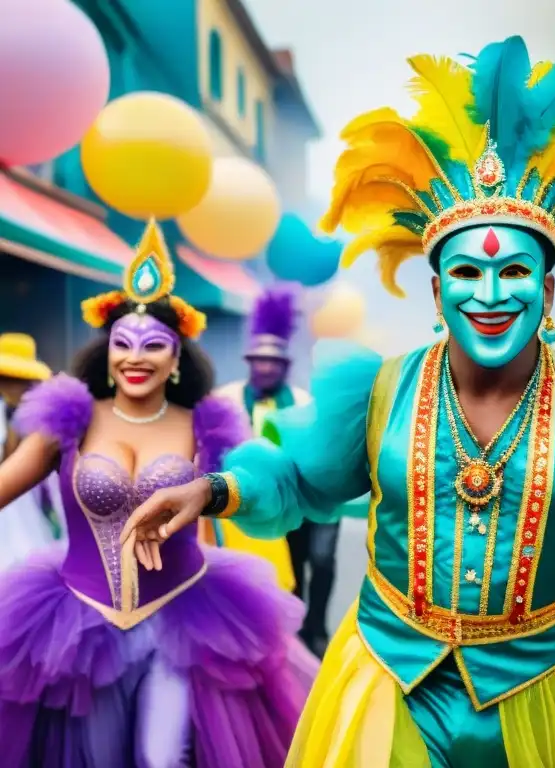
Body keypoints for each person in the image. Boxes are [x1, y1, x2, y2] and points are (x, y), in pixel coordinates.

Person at [122, 36, 555, 767]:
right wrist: (215, 489)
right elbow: (297, 475)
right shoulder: (381, 388)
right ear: (437, 288)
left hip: (531, 690)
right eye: (465, 274)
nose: (489, 294)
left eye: (514, 270)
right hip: (386, 679)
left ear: (547, 291)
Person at [0, 220, 317, 767]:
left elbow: (259, 490)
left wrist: (217, 489)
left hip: (184, 616)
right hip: (76, 624)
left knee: (160, 756)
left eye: (153, 345)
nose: (135, 357)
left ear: (176, 359)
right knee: (95, 758)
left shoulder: (208, 424)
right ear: (105, 351)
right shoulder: (67, 420)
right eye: (121, 343)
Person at [213, 283, 302, 593]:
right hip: (237, 499)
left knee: (295, 566)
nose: (265, 368)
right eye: (259, 361)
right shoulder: (225, 397)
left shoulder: (302, 401)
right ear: (249, 363)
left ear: (284, 367)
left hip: (293, 497)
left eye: (273, 363)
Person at [0, 333, 62, 569]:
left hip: (29, 513)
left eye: (19, 379)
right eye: (6, 379)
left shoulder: (44, 420)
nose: (12, 386)